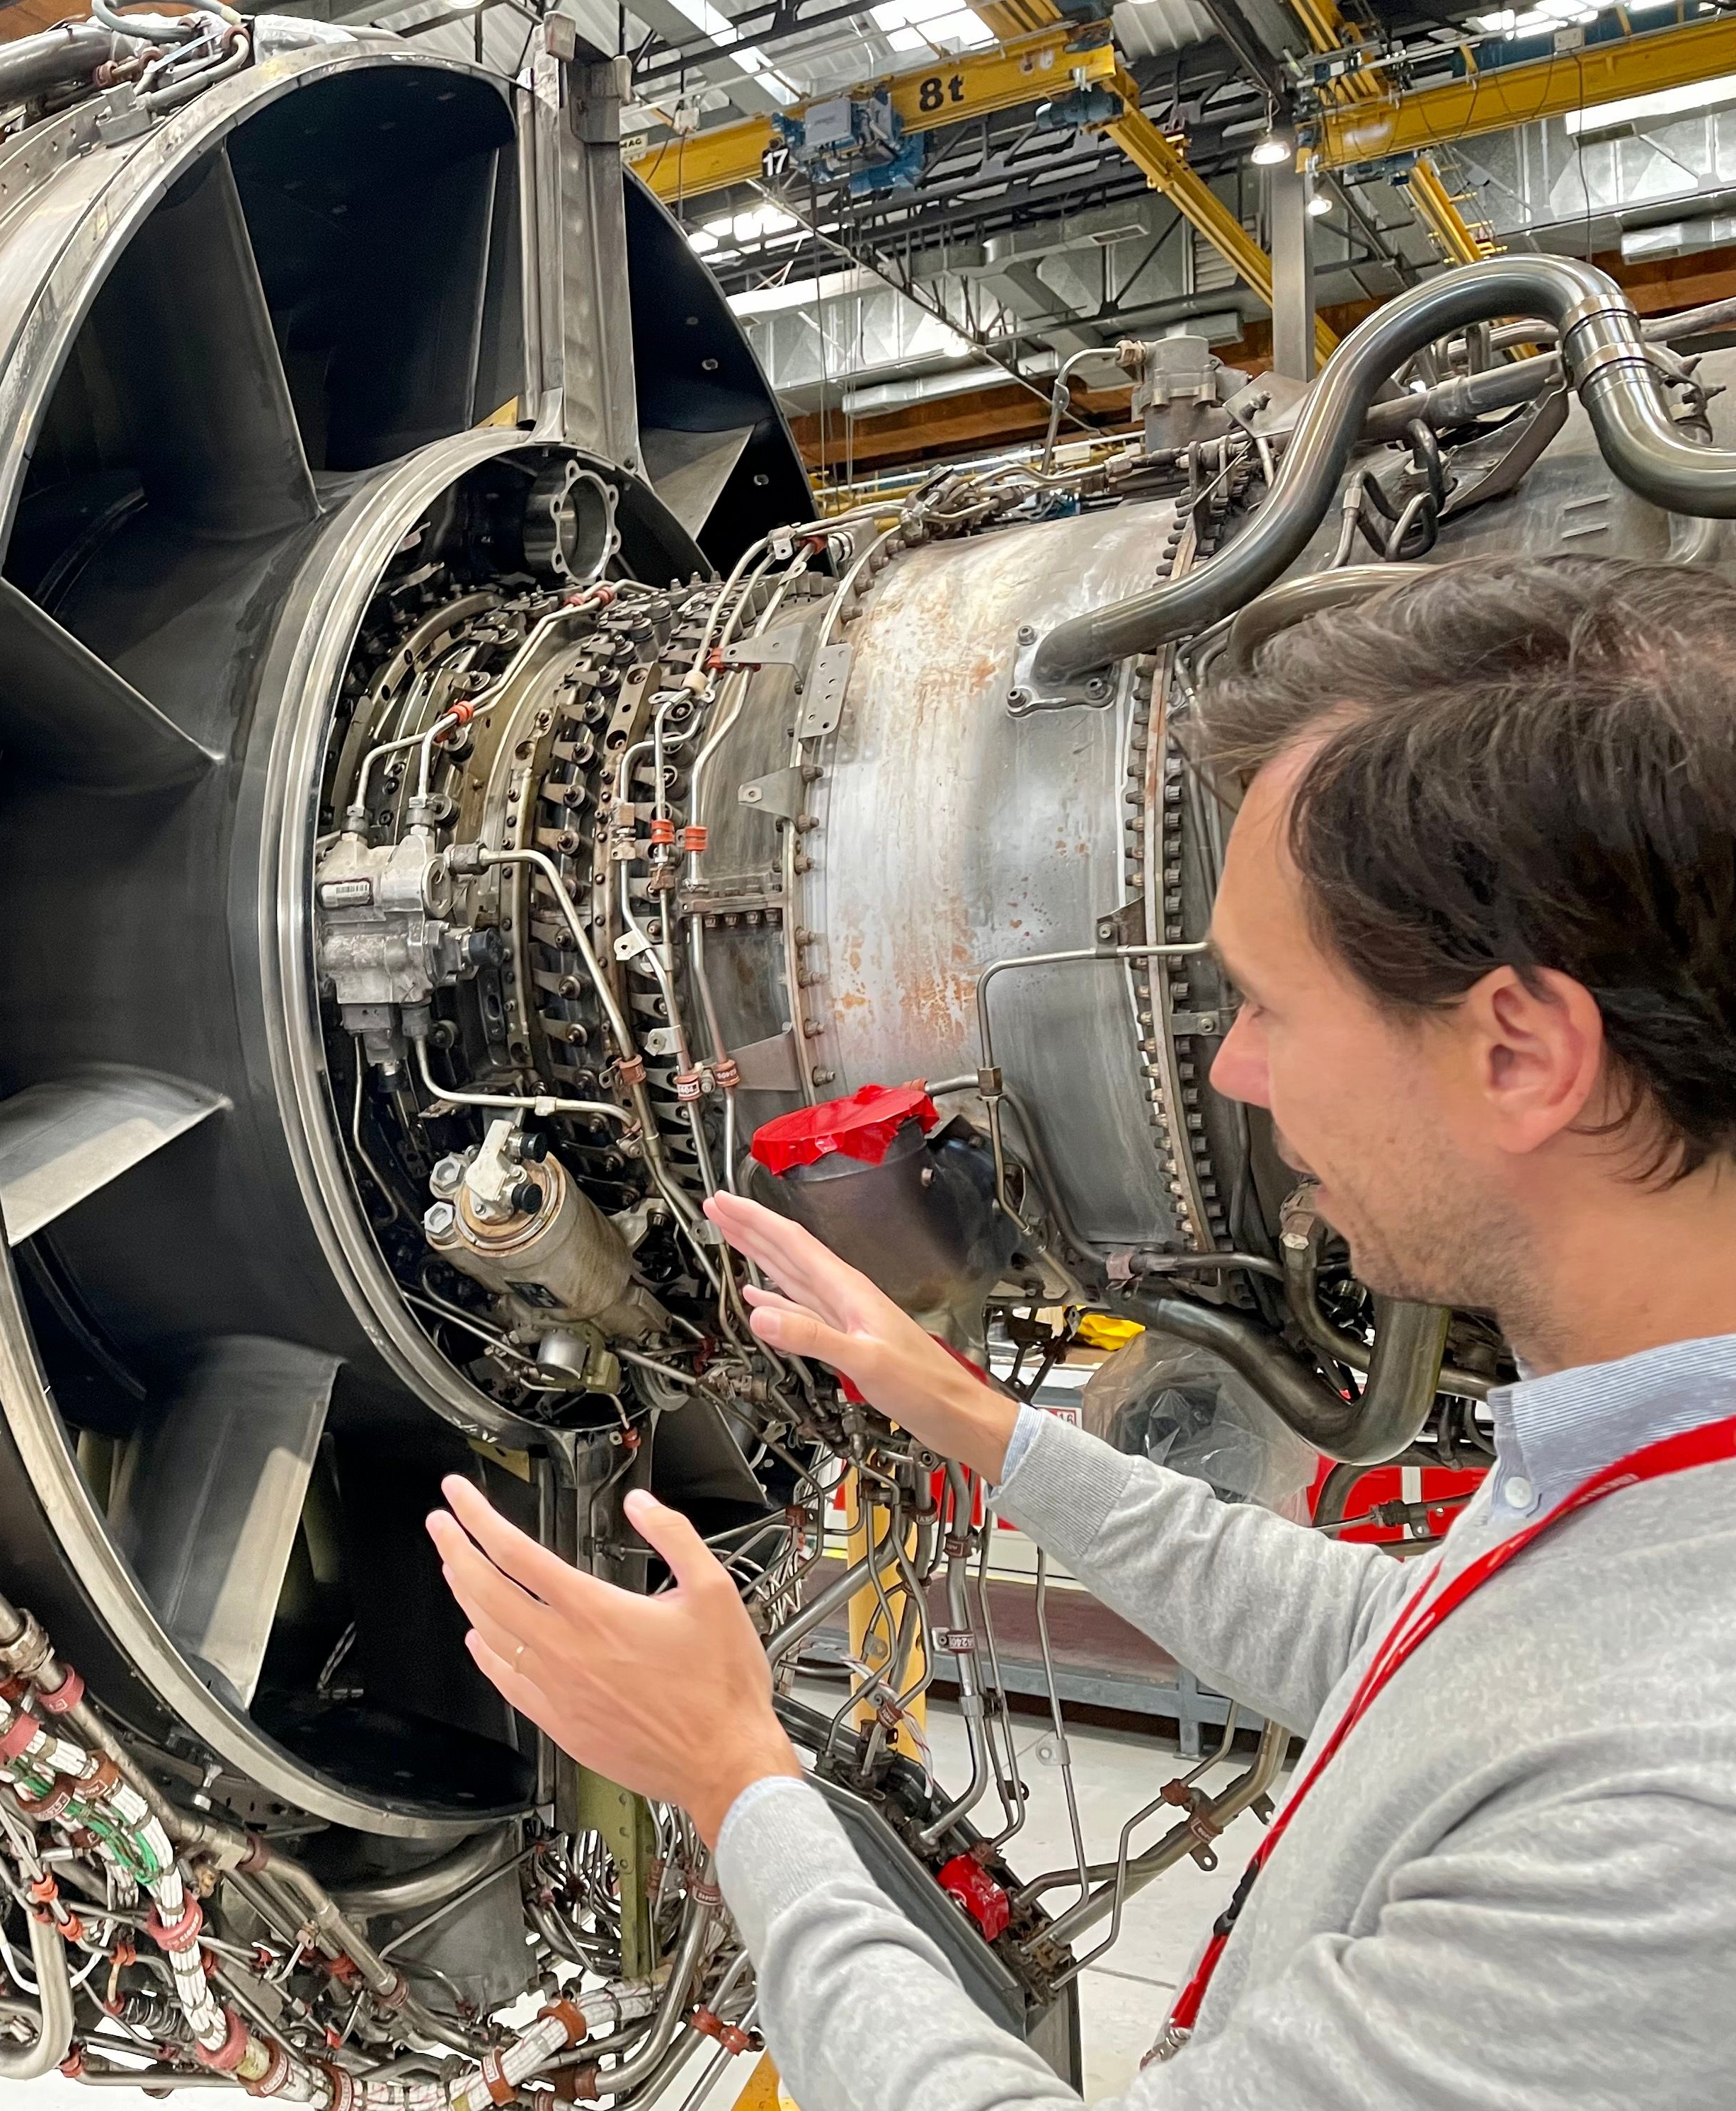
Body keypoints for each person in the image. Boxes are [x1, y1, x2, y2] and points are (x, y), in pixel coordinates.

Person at [426, 554, 1736, 2109]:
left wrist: (736, 1779)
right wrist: (979, 1424)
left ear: (1522, 1052)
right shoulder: (1646, 1481)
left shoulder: (1672, 1825)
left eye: (1266, 1007)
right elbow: (1406, 1653)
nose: (1235, 1075)